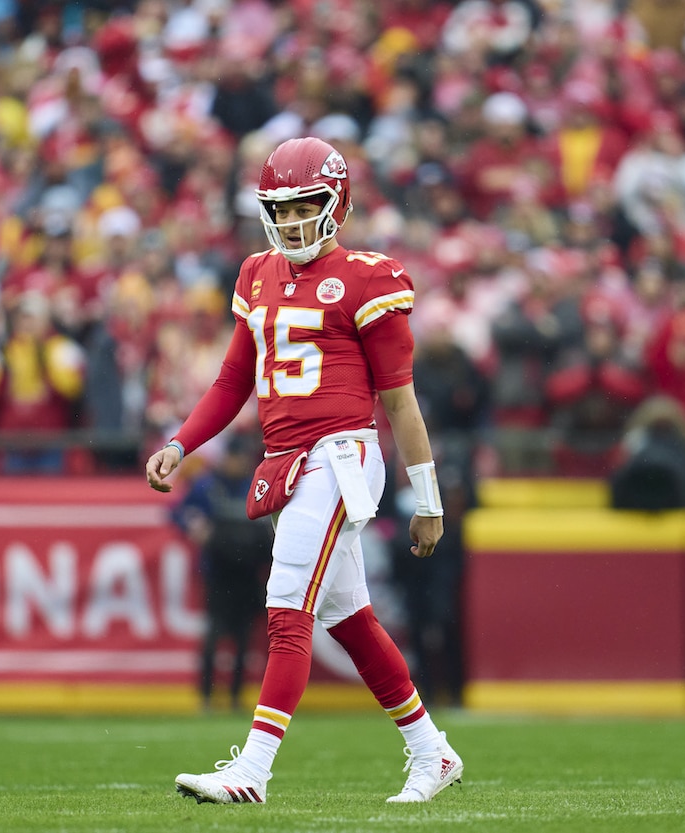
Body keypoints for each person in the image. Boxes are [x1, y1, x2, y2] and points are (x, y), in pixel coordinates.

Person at [145, 137, 462, 805]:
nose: (291, 222)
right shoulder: (257, 272)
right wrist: (183, 442)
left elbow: (400, 401)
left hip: (343, 455)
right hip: (290, 461)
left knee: (287, 599)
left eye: (306, 205)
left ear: (336, 202)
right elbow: (233, 380)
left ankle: (252, 769)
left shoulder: (370, 278)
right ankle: (431, 750)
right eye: (279, 209)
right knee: (348, 617)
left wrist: (427, 496)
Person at [172, 433, 272, 713]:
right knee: (214, 637)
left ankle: (235, 698)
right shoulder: (207, 485)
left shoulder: (254, 486)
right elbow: (177, 512)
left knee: (242, 640)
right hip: (218, 573)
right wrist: (193, 524)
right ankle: (206, 697)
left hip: (249, 572)